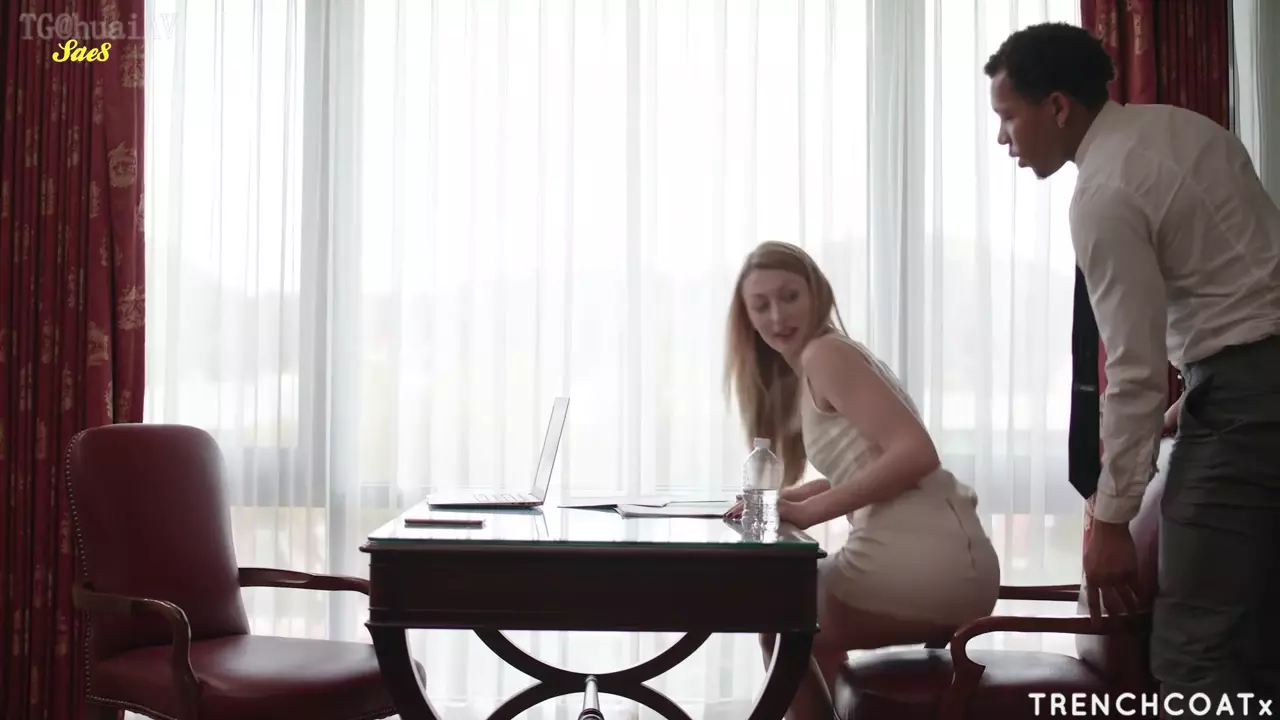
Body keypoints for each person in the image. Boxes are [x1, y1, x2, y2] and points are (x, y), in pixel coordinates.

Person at [984, 22, 1280, 713]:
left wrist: (1112, 520)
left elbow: (1135, 369)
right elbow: (1245, 281)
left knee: (1193, 653)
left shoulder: (1104, 192)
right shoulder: (1184, 127)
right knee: (1260, 641)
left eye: (1009, 116)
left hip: (1247, 408)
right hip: (1249, 389)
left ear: (1058, 107)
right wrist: (1196, 395)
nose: (1003, 138)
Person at [723, 241, 1000, 720]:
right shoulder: (832, 354)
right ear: (746, 317)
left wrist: (807, 511)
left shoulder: (824, 355)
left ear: (817, 294)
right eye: (761, 305)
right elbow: (870, 466)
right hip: (953, 558)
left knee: (778, 615)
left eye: (790, 296)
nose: (777, 316)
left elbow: (916, 453)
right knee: (803, 629)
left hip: (924, 560)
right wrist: (797, 495)